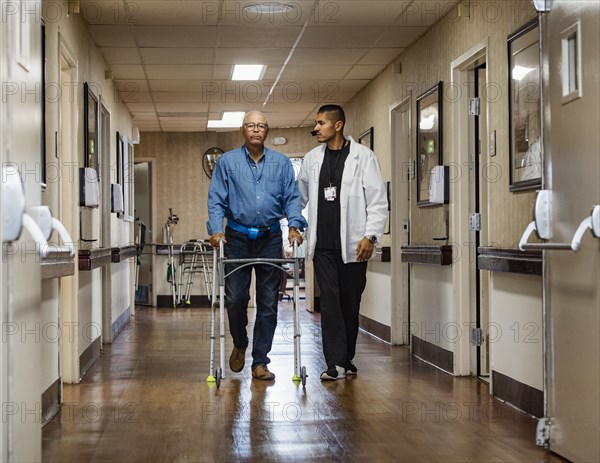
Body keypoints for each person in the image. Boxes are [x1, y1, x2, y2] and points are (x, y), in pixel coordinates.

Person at [207, 110, 306, 380]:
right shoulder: (227, 162)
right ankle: (240, 342)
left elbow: (291, 197)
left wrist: (295, 226)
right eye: (251, 125)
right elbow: (216, 199)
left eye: (261, 125)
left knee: (268, 303)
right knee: (235, 298)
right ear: (242, 130)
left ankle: (260, 362)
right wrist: (216, 231)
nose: (256, 130)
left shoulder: (281, 163)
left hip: (270, 238)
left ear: (267, 130)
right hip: (236, 238)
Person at [298, 104, 388, 381]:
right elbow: (299, 197)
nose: (316, 128)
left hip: (354, 247)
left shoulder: (364, 157)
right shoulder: (312, 159)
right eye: (316, 123)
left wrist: (370, 237)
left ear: (338, 125)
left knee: (351, 302)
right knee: (330, 302)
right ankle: (334, 362)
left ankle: (346, 358)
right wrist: (291, 223)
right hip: (322, 246)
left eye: (321, 123)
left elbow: (377, 201)